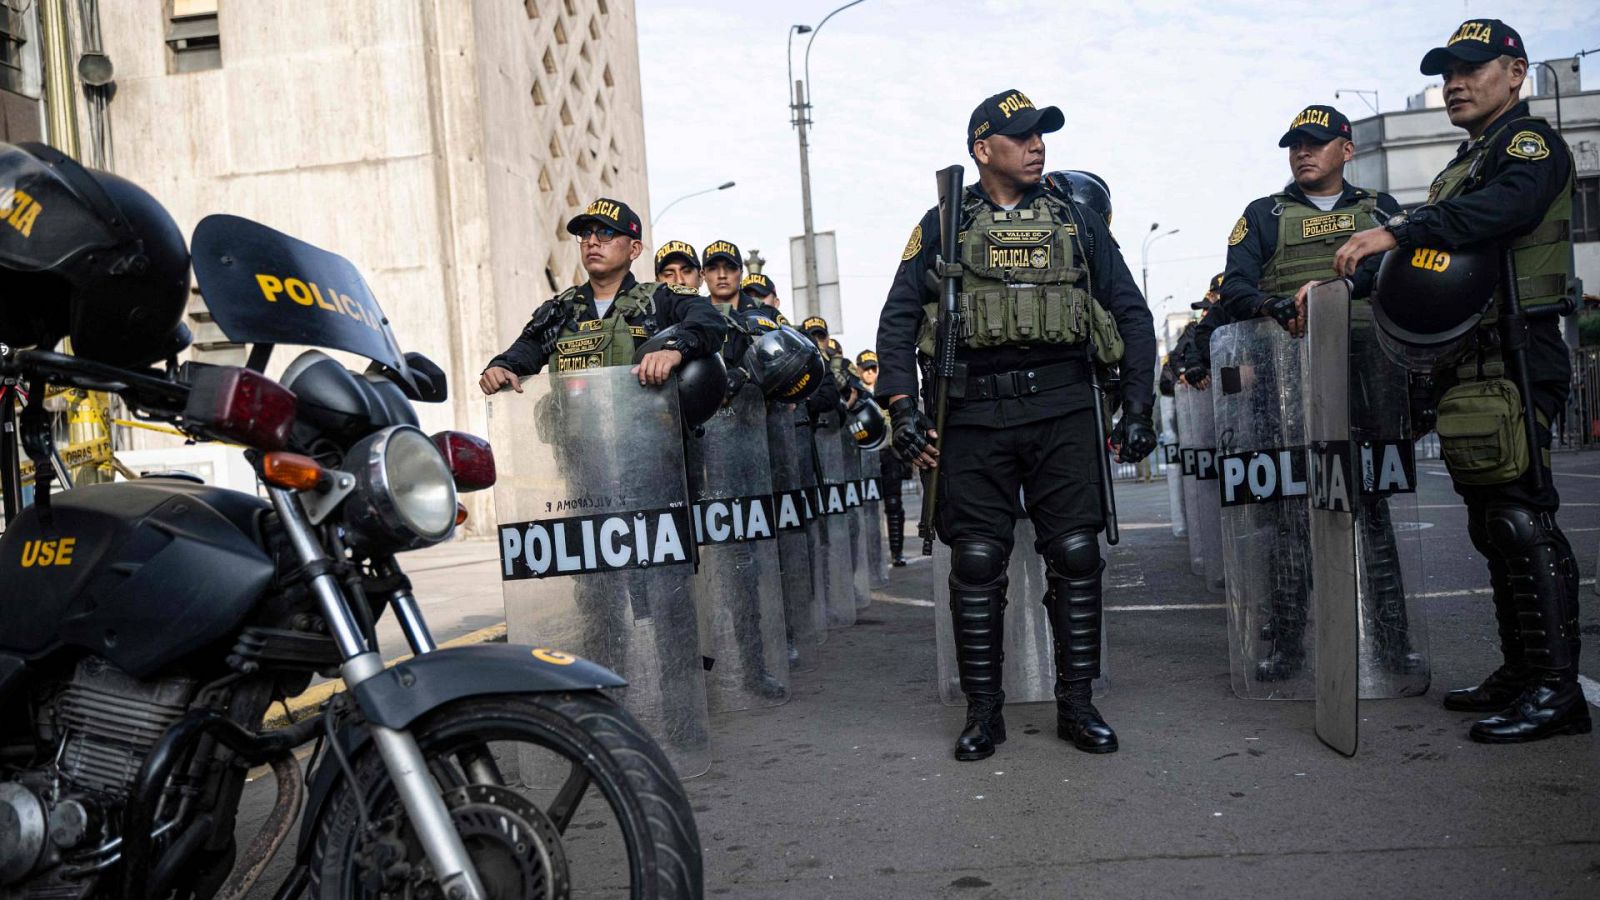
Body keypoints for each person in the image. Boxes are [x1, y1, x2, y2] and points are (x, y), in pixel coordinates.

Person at [1326, 19, 1587, 743]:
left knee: (1520, 517)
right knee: (1489, 524)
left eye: (1472, 68)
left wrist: (1401, 230)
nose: (1455, 83)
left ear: (1516, 73)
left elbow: (1508, 210)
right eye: (1447, 72)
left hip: (1519, 349)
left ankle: (1557, 692)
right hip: (1471, 357)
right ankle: (1523, 670)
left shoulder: (1528, 146)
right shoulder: (1466, 162)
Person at [876, 89, 1158, 760]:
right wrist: (903, 407)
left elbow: (1131, 312)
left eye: (1042, 135)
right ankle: (983, 712)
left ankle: (1078, 705)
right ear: (983, 150)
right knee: (975, 561)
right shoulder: (943, 223)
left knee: (1077, 555)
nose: (1038, 146)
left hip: (1063, 409)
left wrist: (1139, 404)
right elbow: (895, 322)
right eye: (1023, 135)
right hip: (973, 414)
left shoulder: (1077, 220)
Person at [479, 198, 725, 393]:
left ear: (634, 249)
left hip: (647, 447)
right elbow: (527, 348)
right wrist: (501, 367)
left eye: (606, 233)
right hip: (576, 449)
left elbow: (710, 321)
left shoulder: (658, 300)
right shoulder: (562, 310)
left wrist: (674, 350)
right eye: (586, 234)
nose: (592, 242)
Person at [859, 350, 909, 566]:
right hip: (865, 457)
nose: (870, 373)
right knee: (867, 507)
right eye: (866, 368)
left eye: (873, 368)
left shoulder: (885, 391)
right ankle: (872, 556)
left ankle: (897, 552)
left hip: (888, 454)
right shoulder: (855, 392)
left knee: (893, 504)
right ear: (859, 370)